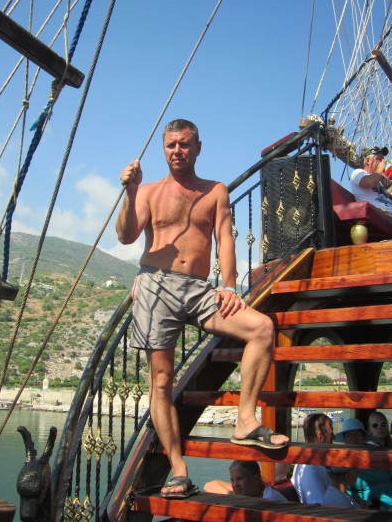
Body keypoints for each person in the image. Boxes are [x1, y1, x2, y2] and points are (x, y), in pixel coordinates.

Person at [116, 119, 289, 499]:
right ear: (164, 149)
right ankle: (178, 471)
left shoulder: (215, 191)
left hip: (199, 289)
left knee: (261, 328)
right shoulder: (148, 191)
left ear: (198, 147)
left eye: (184, 144)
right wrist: (129, 193)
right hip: (156, 286)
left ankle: (245, 421)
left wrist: (229, 285)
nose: (177, 151)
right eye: (170, 145)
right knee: (162, 381)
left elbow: (224, 239)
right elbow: (126, 236)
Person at [291, 413, 333, 504]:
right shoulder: (310, 468)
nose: (334, 436)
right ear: (320, 437)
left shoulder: (316, 463)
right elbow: (318, 507)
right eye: (331, 433)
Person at [204, 460, 287, 501]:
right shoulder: (252, 491)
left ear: (255, 479)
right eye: (232, 480)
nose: (235, 484)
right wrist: (231, 494)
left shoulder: (269, 499)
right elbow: (208, 485)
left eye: (240, 479)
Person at [350, 146, 392, 216]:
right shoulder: (358, 173)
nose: (383, 163)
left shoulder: (381, 178)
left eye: (383, 160)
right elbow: (369, 183)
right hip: (381, 214)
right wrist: (380, 169)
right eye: (379, 159)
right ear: (368, 161)